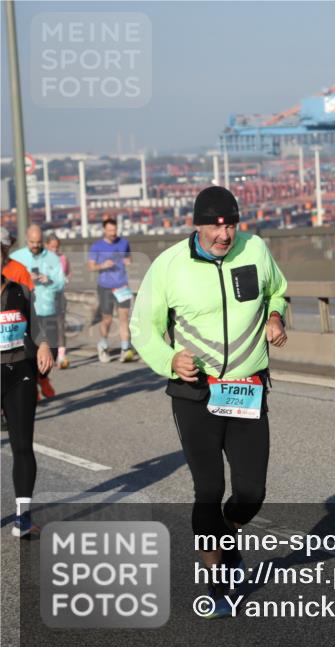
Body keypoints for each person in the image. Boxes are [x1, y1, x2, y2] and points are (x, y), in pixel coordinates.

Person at [130, 185, 288, 618]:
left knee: (251, 492)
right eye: (215, 227)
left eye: (231, 225)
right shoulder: (169, 265)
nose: (224, 235)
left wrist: (275, 316)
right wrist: (169, 359)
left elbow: (277, 290)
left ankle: (226, 535)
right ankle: (217, 582)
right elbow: (142, 327)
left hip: (247, 387)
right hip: (195, 391)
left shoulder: (255, 250)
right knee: (209, 489)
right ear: (196, 225)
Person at [2, 227, 54, 537]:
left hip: (19, 372)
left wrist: (44, 344)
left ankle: (22, 520)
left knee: (22, 446)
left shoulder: (19, 291)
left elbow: (36, 326)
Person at [10, 225, 65, 399]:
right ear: (26, 239)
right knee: (29, 354)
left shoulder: (52, 258)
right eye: (32, 242)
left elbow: (61, 283)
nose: (35, 245)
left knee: (52, 352)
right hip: (26, 313)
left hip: (47, 310)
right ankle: (32, 387)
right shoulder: (16, 257)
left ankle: (43, 377)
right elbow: (7, 283)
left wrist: (49, 280)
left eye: (39, 242)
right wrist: (26, 280)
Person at [87, 218, 136, 363]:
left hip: (122, 286)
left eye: (114, 230)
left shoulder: (124, 243)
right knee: (107, 319)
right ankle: (103, 346)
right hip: (105, 287)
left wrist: (128, 261)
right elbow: (91, 266)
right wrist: (103, 265)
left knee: (124, 318)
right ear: (104, 230)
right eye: (109, 230)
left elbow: (129, 257)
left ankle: (125, 349)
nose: (113, 233)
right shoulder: (97, 246)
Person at [45, 234, 71, 369]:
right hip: (44, 298)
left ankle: (61, 356)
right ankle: (48, 353)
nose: (55, 249)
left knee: (61, 325)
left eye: (57, 247)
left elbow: (68, 273)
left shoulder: (63, 258)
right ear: (46, 246)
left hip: (59, 296)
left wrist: (65, 278)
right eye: (52, 247)